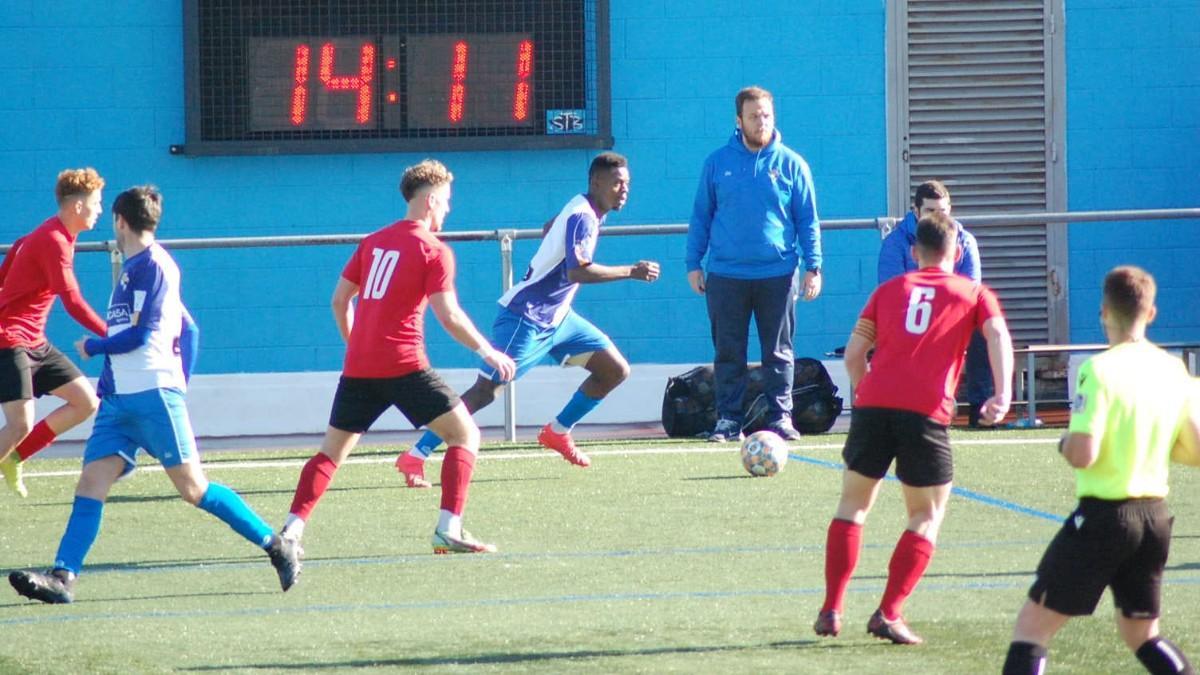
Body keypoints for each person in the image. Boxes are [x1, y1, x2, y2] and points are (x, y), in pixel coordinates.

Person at [7, 186, 300, 604]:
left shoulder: (155, 266)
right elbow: (160, 329)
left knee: (193, 489)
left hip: (153, 397)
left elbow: (147, 335)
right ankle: (62, 577)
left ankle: (276, 545)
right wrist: (107, 382)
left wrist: (103, 350)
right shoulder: (132, 267)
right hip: (119, 403)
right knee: (91, 482)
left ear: (120, 221)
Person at [281, 159, 516, 554]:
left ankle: (291, 530)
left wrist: (356, 343)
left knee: (330, 454)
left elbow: (340, 301)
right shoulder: (433, 250)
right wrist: (487, 351)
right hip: (405, 365)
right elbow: (449, 314)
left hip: (360, 367)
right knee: (465, 435)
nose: (448, 210)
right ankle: (449, 528)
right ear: (430, 202)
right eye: (446, 202)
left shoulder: (372, 242)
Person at [392, 151, 659, 487]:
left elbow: (552, 227)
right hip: (526, 317)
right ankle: (415, 455)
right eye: (617, 182)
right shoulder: (583, 216)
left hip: (559, 319)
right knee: (485, 391)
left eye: (627, 183)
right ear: (596, 182)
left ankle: (558, 432)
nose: (624, 189)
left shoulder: (584, 208)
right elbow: (577, 271)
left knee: (614, 370)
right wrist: (630, 272)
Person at [813, 212, 1013, 644]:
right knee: (926, 514)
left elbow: (853, 355)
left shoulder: (887, 291)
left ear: (913, 251)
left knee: (852, 508)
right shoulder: (973, 292)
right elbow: (997, 334)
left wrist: (867, 393)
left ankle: (831, 608)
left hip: (873, 408)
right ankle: (888, 612)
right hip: (925, 413)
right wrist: (1003, 393)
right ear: (956, 252)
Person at [1002, 266, 1196, 675]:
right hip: (1155, 518)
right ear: (1152, 313)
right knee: (1142, 635)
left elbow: (1083, 453)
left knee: (1032, 628)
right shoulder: (1175, 371)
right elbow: (1196, 447)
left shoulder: (1099, 370)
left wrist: (1065, 444)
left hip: (1106, 516)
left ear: (1105, 312)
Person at [686, 85, 822, 444]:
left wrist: (814, 266)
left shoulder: (792, 164)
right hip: (726, 275)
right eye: (753, 116)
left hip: (777, 274)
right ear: (738, 120)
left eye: (766, 115)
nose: (761, 122)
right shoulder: (717, 163)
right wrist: (693, 263)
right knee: (728, 352)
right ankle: (729, 420)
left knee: (778, 353)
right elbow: (702, 215)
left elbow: (808, 219)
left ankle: (781, 417)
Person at [0, 168, 109, 498]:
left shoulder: (53, 236)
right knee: (20, 424)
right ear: (78, 206)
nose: (100, 210)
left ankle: (15, 457)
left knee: (86, 402)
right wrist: (109, 336)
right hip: (10, 340)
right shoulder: (53, 240)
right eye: (97, 203)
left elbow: (8, 269)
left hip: (35, 342)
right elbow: (73, 301)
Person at [878, 179, 994, 427]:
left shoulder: (965, 240)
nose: (937, 218)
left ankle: (980, 409)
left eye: (942, 211)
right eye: (930, 211)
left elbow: (970, 292)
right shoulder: (896, 243)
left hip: (952, 318)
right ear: (916, 211)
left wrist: (943, 316)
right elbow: (891, 295)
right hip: (913, 316)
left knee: (984, 328)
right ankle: (905, 407)